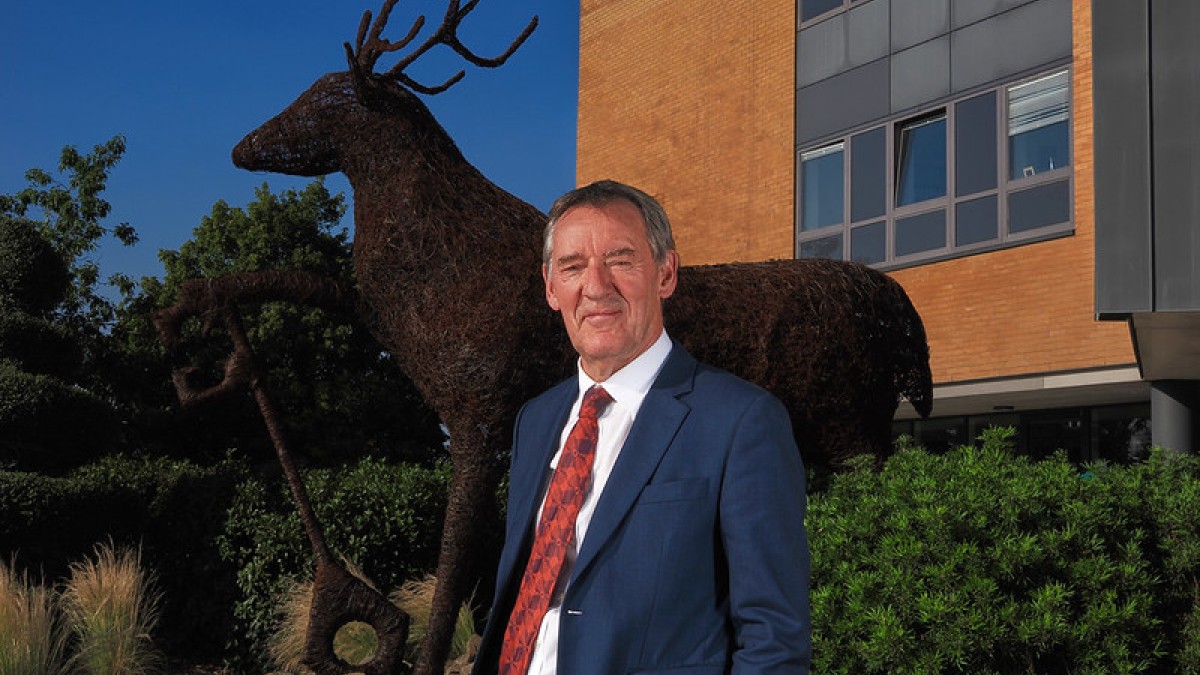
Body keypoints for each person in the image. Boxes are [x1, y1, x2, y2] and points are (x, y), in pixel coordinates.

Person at [473, 180, 811, 674]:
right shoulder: (537, 419)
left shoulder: (741, 421)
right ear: (551, 287)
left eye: (620, 260)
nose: (596, 285)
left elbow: (774, 641)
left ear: (666, 273)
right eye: (572, 267)